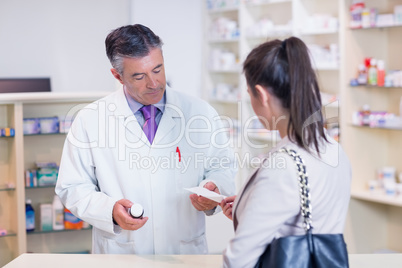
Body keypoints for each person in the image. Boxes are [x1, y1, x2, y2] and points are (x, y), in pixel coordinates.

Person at [55, 24, 236, 254]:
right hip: (122, 252)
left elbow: (223, 166)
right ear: (117, 75)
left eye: (158, 69)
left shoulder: (200, 112)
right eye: (139, 76)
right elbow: (72, 186)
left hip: (184, 251)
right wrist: (109, 210)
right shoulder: (90, 119)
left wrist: (214, 188)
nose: (153, 83)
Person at [220, 37, 351, 267]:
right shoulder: (334, 149)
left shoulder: (284, 165)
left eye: (249, 94)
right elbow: (304, 216)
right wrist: (248, 204)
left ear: (262, 95)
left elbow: (239, 259)